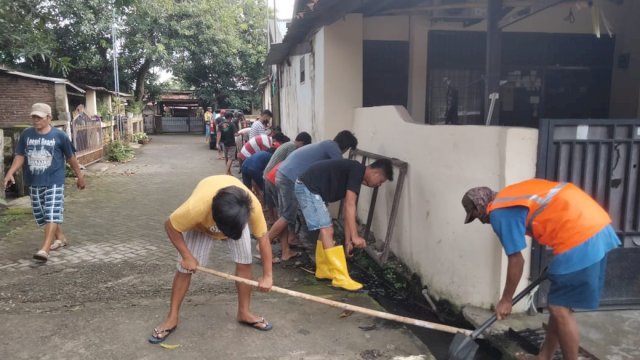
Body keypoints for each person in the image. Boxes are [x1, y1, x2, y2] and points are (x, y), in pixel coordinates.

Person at [461, 179, 620, 360]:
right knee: (559, 305)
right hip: (595, 226)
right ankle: (543, 357)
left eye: (476, 216)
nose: (482, 222)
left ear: (480, 207)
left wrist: (506, 300)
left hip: (580, 236)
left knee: (559, 310)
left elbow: (516, 260)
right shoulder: (508, 197)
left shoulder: (498, 213)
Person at [148, 176, 274, 344]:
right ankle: (172, 318)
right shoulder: (196, 208)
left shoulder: (250, 206)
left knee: (245, 263)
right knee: (184, 269)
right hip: (201, 226)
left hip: (233, 220)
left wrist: (268, 275)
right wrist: (187, 256)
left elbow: (263, 240)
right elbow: (170, 226)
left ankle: (244, 312)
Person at [3, 103, 86, 262]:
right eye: (33, 116)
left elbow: (71, 158)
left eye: (39, 117)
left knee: (52, 212)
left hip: (54, 180)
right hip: (34, 181)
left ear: (49, 118)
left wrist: (79, 176)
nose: (35, 120)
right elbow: (20, 155)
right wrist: (10, 172)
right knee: (42, 214)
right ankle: (60, 238)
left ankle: (45, 249)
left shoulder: (59, 136)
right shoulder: (26, 134)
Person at [295, 158, 394, 291]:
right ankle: (340, 277)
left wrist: (348, 241)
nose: (379, 185)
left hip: (310, 188)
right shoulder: (357, 170)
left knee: (326, 229)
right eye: (381, 181)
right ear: (375, 172)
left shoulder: (354, 173)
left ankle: (323, 269)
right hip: (308, 187)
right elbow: (349, 205)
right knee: (327, 230)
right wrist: (355, 237)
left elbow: (347, 212)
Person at [268, 131, 357, 263]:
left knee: (286, 216)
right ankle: (263, 244)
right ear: (346, 146)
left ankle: (286, 252)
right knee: (287, 216)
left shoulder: (325, 145)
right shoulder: (332, 147)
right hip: (290, 177)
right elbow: (341, 169)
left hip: (283, 173)